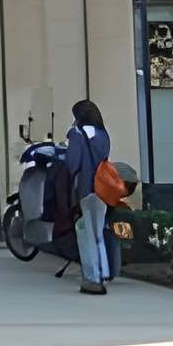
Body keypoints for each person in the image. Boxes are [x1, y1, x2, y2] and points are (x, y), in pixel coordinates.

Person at [63, 100, 115, 295]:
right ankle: (104, 273)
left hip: (86, 188)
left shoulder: (77, 134)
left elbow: (72, 164)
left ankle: (92, 278)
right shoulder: (103, 134)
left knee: (86, 235)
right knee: (99, 233)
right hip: (103, 189)